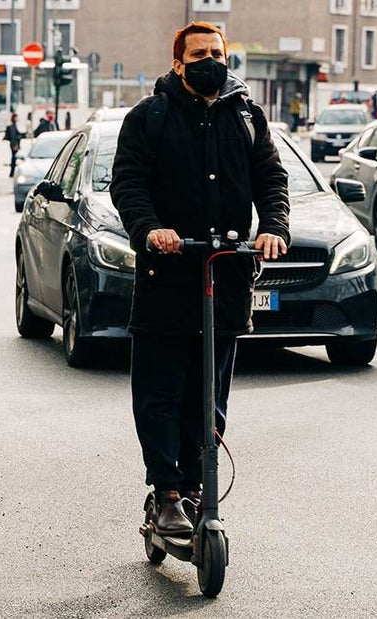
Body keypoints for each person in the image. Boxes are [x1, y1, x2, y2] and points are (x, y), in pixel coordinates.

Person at [110, 21, 289, 536]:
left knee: (209, 395)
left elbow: (271, 179)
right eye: (198, 54)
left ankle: (195, 486)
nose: (209, 61)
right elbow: (128, 183)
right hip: (167, 275)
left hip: (225, 275)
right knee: (161, 391)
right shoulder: (149, 117)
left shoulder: (248, 117)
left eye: (217, 53)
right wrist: (150, 229)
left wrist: (273, 228)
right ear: (178, 64)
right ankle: (167, 491)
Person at [3, 113, 23, 178]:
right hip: (14, 144)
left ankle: (12, 172)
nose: (18, 119)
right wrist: (15, 145)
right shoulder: (12, 126)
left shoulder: (15, 126)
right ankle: (12, 172)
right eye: (16, 117)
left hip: (15, 144)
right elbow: (13, 136)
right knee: (14, 158)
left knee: (14, 158)